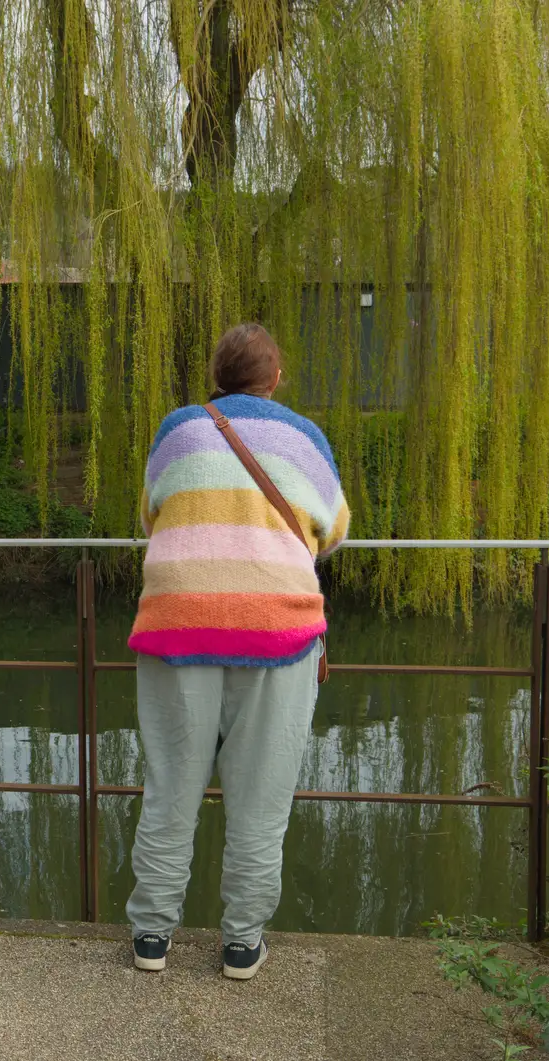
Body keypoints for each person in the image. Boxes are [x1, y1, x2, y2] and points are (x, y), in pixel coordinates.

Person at [125, 322, 349, 982]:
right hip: (277, 633)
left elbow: (151, 513)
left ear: (216, 377)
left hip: (178, 626)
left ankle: (151, 937)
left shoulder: (179, 430)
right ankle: (242, 945)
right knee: (260, 800)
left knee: (171, 789)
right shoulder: (303, 438)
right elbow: (333, 529)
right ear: (275, 378)